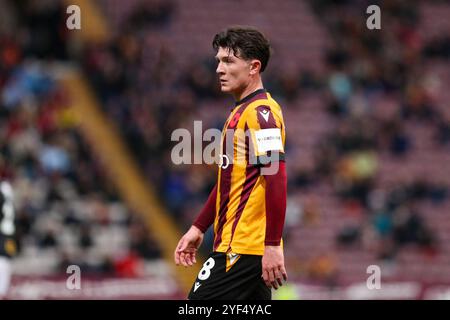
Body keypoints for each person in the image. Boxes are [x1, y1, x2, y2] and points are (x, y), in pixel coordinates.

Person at [174, 26, 288, 300]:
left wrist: (272, 245)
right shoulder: (239, 113)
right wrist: (199, 227)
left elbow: (276, 178)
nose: (219, 69)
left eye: (228, 61)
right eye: (218, 61)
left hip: (242, 251)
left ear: (253, 67)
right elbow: (230, 182)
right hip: (241, 248)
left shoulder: (261, 114)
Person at [0, 181, 16, 299]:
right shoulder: (9, 201)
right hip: (9, 235)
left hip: (4, 234)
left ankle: (2, 291)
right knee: (6, 261)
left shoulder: (3, 197)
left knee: (4, 261)